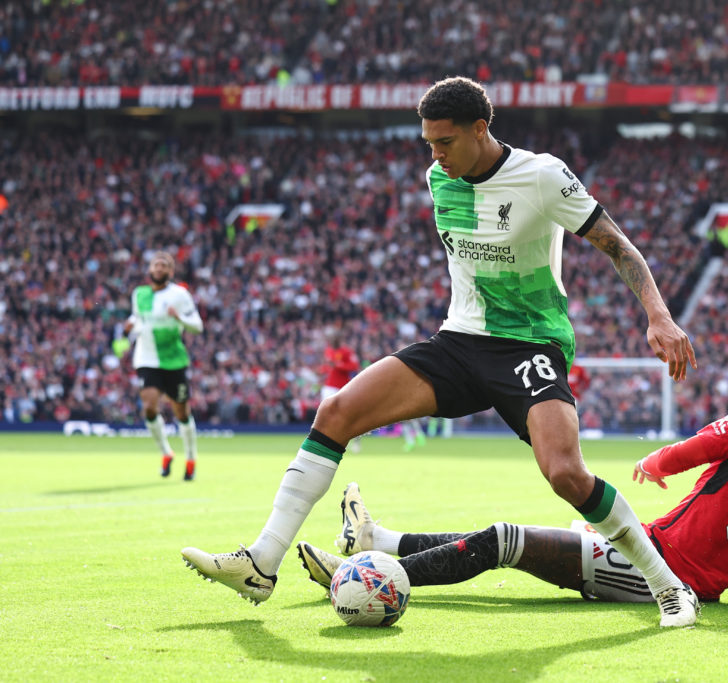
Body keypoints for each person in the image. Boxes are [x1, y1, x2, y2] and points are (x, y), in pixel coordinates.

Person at [181, 76, 700, 627]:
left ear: (481, 130)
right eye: (428, 142)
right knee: (336, 413)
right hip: (458, 340)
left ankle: (668, 588)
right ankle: (262, 562)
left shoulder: (542, 175)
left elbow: (617, 244)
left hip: (528, 343)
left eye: (445, 142)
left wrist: (658, 315)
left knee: (566, 474)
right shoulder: (439, 178)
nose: (435, 154)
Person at [297, 383, 728, 608]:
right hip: (652, 553)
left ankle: (367, 576)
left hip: (658, 572)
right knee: (526, 540)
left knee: (506, 540)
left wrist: (654, 460)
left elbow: (697, 447)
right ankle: (376, 539)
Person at [124, 251, 204, 480]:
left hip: (173, 360)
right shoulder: (139, 294)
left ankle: (190, 458)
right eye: (155, 264)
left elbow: (197, 326)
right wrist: (129, 326)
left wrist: (179, 318)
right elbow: (138, 318)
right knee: (149, 406)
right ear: (150, 269)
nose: (159, 268)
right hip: (146, 358)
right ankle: (166, 452)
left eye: (164, 265)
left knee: (182, 412)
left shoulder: (179, 294)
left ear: (170, 271)